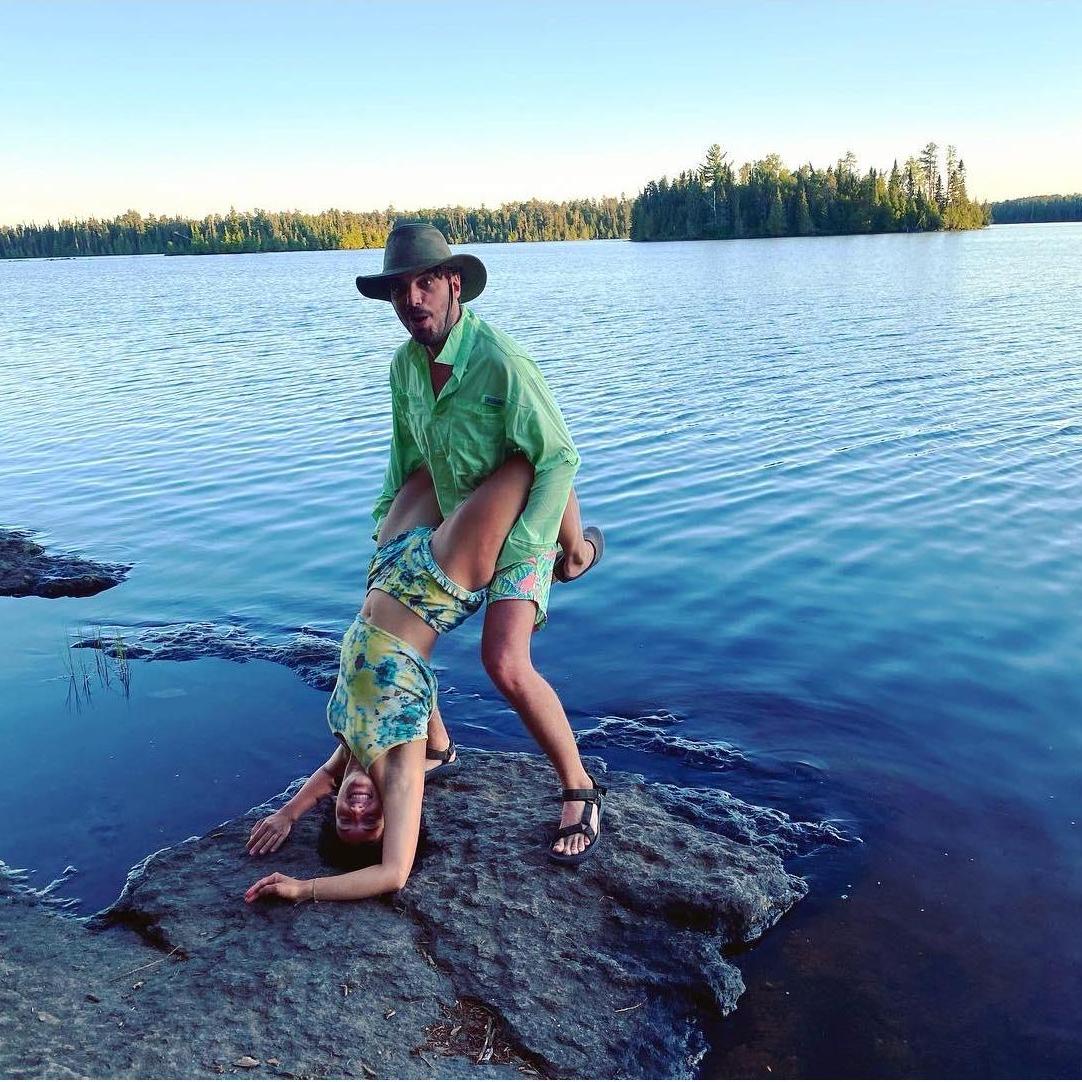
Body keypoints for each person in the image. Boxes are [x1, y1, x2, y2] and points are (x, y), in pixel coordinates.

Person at [244, 454, 607, 905]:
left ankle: (442, 748)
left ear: (333, 808)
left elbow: (325, 776)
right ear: (390, 813)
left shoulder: (354, 750)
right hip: (436, 584)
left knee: (437, 452)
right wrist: (304, 889)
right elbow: (392, 874)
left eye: (345, 819)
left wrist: (288, 814)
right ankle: (576, 554)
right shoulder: (398, 772)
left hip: (386, 569)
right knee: (521, 465)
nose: (358, 809)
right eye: (370, 819)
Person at [355, 221, 605, 861]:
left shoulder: (500, 361)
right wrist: (381, 541)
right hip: (464, 504)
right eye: (400, 290)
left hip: (524, 510)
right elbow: (406, 459)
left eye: (427, 283)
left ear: (454, 285)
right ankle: (436, 742)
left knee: (505, 661)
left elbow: (558, 460)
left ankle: (580, 790)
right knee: (387, 612)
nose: (413, 300)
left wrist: (524, 551)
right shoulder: (405, 369)